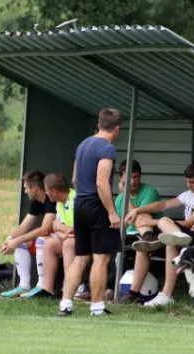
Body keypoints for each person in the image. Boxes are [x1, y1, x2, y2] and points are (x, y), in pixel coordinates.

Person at [58, 108, 122, 317]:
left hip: (80, 203)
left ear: (99, 124)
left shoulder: (83, 145)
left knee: (80, 257)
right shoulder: (106, 148)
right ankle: (97, 307)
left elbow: (75, 180)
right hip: (96, 204)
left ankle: (65, 304)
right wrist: (112, 212)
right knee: (101, 258)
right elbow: (102, 182)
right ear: (117, 129)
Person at [124, 161, 194, 307]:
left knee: (165, 228)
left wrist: (155, 222)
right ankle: (133, 294)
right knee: (144, 243)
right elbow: (164, 205)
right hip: (180, 236)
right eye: (187, 181)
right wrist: (138, 211)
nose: (188, 185)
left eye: (192, 182)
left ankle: (166, 295)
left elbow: (188, 223)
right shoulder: (189, 195)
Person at [0, 171, 56, 297]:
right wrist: (10, 240)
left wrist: (17, 240)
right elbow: (24, 226)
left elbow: (45, 229)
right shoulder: (36, 201)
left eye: (26, 188)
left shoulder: (51, 199)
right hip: (53, 236)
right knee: (20, 243)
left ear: (35, 188)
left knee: (40, 239)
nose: (25, 191)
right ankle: (23, 285)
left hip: (64, 236)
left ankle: (42, 286)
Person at [20, 173, 76, 298]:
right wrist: (62, 232)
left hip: (82, 238)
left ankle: (69, 287)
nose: (46, 194)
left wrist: (61, 229)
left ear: (54, 191)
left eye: (46, 191)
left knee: (68, 244)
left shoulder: (76, 199)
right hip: (66, 237)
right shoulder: (59, 202)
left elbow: (75, 229)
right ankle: (47, 289)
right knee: (48, 244)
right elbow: (56, 227)